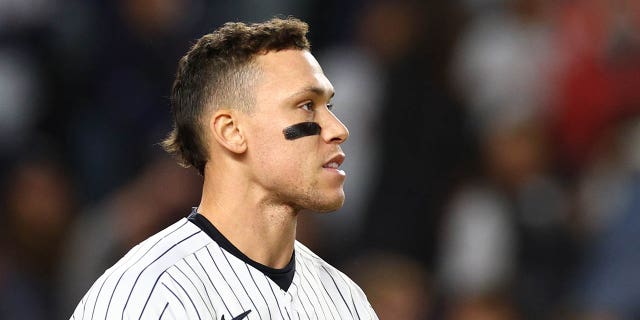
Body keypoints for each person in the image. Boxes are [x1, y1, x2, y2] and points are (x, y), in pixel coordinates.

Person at [69, 17, 378, 319]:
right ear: (232, 132)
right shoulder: (148, 295)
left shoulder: (346, 300)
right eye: (307, 105)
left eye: (330, 107)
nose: (338, 129)